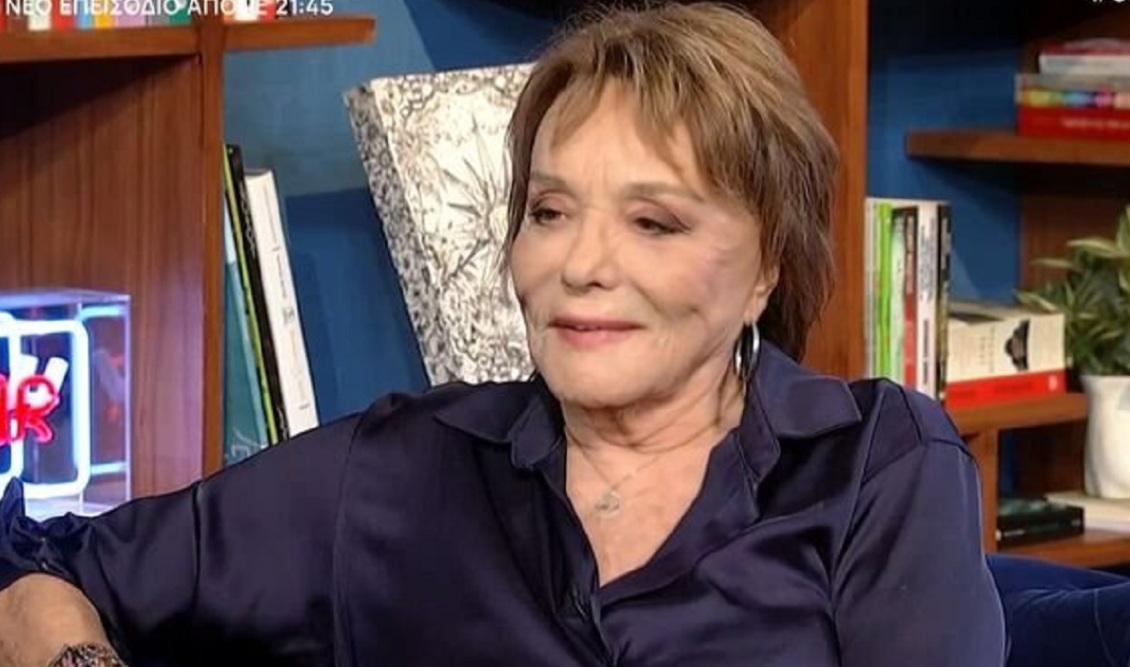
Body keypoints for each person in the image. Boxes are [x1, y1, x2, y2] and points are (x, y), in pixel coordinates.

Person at [0, 2, 1007, 666]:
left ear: (766, 269)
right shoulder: (397, 471)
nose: (581, 264)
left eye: (653, 222)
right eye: (550, 211)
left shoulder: (874, 466)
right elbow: (39, 568)